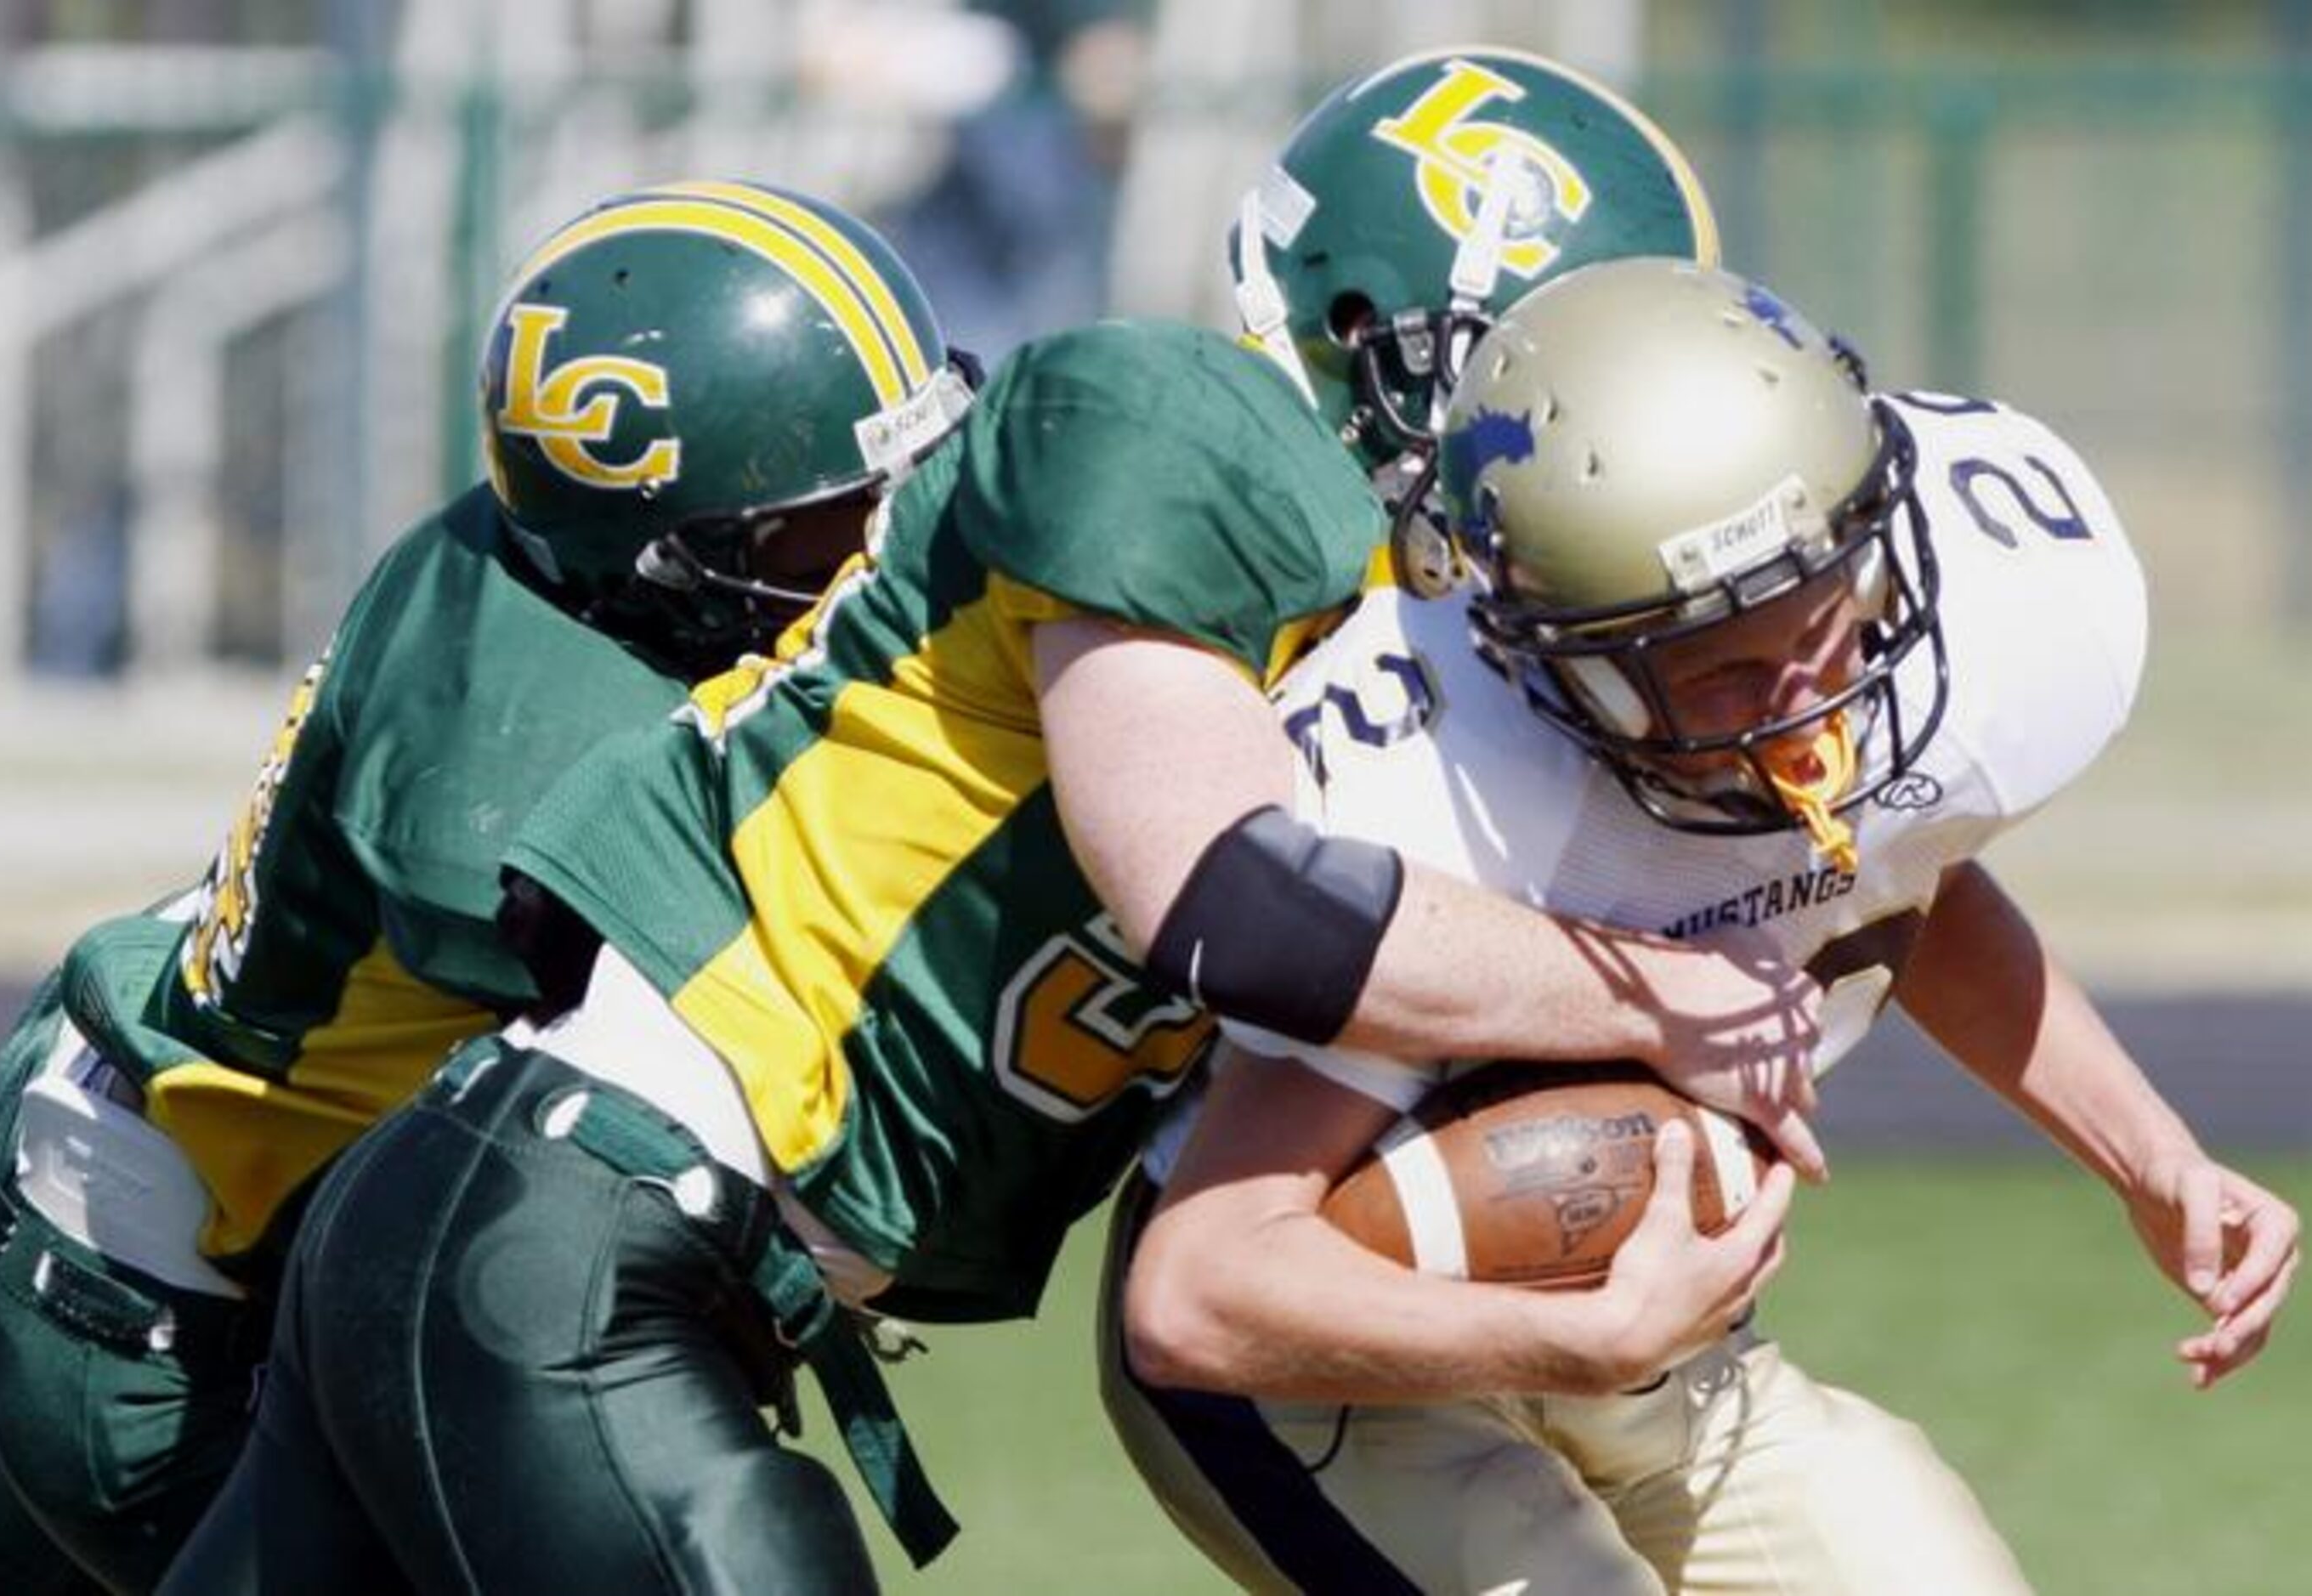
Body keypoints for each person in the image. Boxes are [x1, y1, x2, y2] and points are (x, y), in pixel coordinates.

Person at [151, 59, 1828, 1596]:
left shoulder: (1410, 645)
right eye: (1567, 371)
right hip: (572, 1221)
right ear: (1393, 343)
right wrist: (1660, 998)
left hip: (598, 1255)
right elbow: (1235, 909)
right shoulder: (1170, 424)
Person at [1102, 258, 2305, 1595]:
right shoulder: (1457, 809)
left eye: (1830, 624)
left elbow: (1906, 878)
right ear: (1558, 660)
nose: (1810, 712)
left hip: (1663, 1355)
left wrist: (2150, 1158)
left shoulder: (1920, 654)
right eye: (1726, 666)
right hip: (1330, 1385)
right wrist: (1574, 1338)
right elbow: (1191, 1291)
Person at [0, 179, 973, 1596]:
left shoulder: (569, 573)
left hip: (179, 1163)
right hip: (172, 1302)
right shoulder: (510, 786)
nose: (884, 549)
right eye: (831, 523)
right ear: (666, 548)